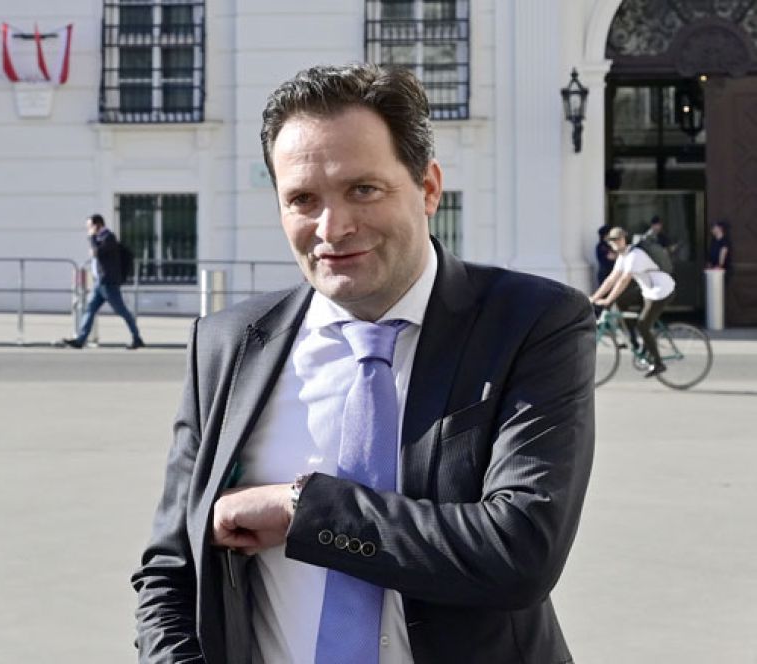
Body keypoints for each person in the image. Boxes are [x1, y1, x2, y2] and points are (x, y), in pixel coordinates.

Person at [132, 64, 595, 664]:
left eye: (363, 190)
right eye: (302, 199)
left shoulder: (531, 323)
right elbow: (171, 571)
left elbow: (520, 551)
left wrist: (301, 509)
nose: (332, 228)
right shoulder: (229, 345)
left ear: (428, 188)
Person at [590, 226, 675, 377]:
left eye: (618, 239)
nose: (616, 243)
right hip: (648, 290)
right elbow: (611, 279)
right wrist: (594, 298)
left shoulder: (635, 255)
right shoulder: (623, 257)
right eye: (612, 241)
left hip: (661, 290)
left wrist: (608, 300)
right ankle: (633, 341)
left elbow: (624, 280)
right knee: (620, 301)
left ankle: (658, 363)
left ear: (624, 239)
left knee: (643, 325)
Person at [59, 214, 144, 350]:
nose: (88, 230)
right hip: (99, 283)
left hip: (108, 283)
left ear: (97, 225)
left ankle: (137, 338)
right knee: (89, 309)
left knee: (122, 311)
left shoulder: (109, 237)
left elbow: (96, 252)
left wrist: (92, 238)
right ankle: (80, 339)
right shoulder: (101, 239)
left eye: (90, 226)